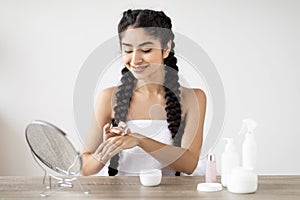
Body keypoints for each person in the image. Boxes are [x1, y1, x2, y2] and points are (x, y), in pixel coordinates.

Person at [81, 9, 206, 176]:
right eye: (128, 50)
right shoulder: (108, 98)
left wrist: (139, 140)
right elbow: (84, 167)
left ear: (166, 48)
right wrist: (108, 149)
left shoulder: (193, 98)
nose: (135, 60)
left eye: (145, 50)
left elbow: (189, 164)